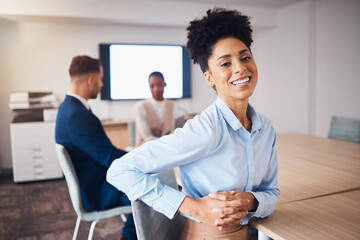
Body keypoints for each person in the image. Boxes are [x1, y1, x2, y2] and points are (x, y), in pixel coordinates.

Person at [107, 8, 279, 240]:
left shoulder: (265, 129)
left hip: (251, 233)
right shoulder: (206, 130)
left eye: (245, 57)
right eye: (225, 63)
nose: (240, 68)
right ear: (209, 78)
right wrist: (193, 207)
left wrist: (252, 200)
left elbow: (272, 192)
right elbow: (119, 171)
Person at [55, 55, 137, 240]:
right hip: (97, 191)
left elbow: (103, 153)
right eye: (100, 80)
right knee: (149, 189)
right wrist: (142, 158)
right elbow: (109, 157)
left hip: (95, 180)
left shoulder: (69, 108)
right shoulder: (76, 115)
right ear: (91, 79)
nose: (101, 85)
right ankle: (128, 237)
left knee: (147, 180)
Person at [134, 71, 181, 147]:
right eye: (152, 86)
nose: (156, 89)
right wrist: (167, 143)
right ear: (149, 87)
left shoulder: (174, 106)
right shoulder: (140, 107)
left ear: (164, 84)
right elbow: (147, 138)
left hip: (168, 149)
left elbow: (176, 134)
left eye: (159, 85)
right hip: (145, 151)